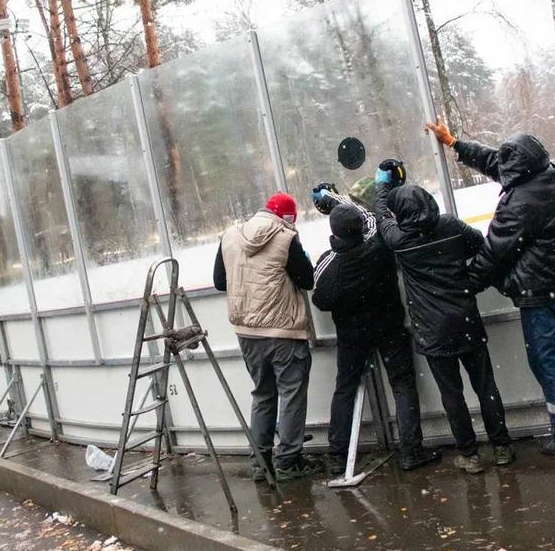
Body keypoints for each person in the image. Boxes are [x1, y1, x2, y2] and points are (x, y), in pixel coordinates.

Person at [425, 119, 555, 456]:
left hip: (538, 295)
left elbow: (494, 253)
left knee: (549, 363)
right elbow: (497, 163)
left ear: (518, 170)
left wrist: (463, 286)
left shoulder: (521, 201)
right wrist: (455, 143)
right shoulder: (548, 175)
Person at [371, 160, 515, 474]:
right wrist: (468, 279)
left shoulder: (398, 240)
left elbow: (381, 214)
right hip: (465, 319)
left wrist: (382, 186)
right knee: (485, 387)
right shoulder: (450, 226)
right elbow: (482, 246)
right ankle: (502, 447)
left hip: (432, 330)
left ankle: (470, 455)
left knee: (453, 395)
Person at [309, 189, 441, 474]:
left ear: (334, 233)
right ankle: (411, 451)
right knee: (402, 384)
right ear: (359, 227)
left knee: (345, 388)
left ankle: (338, 457)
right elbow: (370, 216)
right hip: (389, 326)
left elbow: (320, 299)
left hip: (352, 337)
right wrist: (336, 198)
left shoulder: (330, 265)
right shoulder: (379, 245)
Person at [213, 192, 321, 481]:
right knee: (291, 394)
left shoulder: (229, 236)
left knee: (263, 394)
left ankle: (260, 463)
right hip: (283, 331)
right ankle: (288, 461)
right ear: (288, 218)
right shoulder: (286, 238)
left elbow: (220, 282)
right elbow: (307, 280)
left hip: (247, 332)